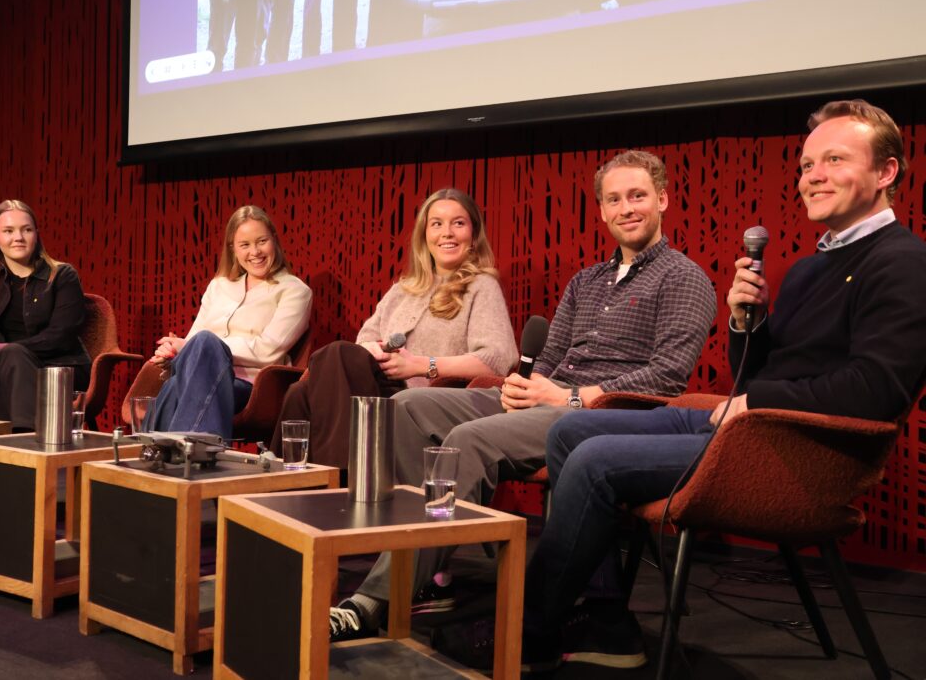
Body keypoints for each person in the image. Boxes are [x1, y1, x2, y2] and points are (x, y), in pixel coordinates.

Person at [522, 100, 926, 673]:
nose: (813, 176)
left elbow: (875, 390)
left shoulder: (903, 262)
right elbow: (757, 374)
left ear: (886, 172)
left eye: (834, 160)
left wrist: (755, 402)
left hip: (798, 451)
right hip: (755, 424)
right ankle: (607, 617)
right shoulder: (810, 266)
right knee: (571, 431)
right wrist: (744, 324)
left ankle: (531, 630)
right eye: (806, 164)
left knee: (594, 461)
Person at [329, 150, 718, 642]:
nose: (626, 208)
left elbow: (667, 378)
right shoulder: (586, 281)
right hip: (548, 398)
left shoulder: (684, 277)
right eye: (614, 199)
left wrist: (568, 396)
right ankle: (431, 563)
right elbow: (550, 358)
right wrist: (523, 385)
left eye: (637, 196)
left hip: (604, 414)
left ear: (662, 200)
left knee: (468, 440)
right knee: (406, 407)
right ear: (602, 210)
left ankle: (376, 599)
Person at [271, 188, 518, 469]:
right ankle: (283, 485)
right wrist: (375, 350)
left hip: (426, 400)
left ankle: (339, 478)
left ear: (473, 236)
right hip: (378, 388)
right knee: (301, 391)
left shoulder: (482, 286)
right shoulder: (403, 289)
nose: (447, 233)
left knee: (332, 357)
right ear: (424, 236)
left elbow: (496, 359)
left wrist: (420, 365)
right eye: (437, 224)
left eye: (458, 223)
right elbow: (364, 340)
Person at [144, 205, 312, 440]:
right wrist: (173, 350)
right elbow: (192, 343)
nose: (255, 252)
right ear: (233, 249)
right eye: (245, 245)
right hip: (197, 376)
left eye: (262, 241)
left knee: (201, 349)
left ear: (274, 239)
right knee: (178, 380)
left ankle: (160, 451)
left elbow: (267, 350)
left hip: (251, 387)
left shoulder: (295, 291)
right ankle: (190, 452)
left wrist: (199, 346)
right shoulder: (219, 286)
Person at [0, 200, 90, 431]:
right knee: (11, 361)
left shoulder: (62, 275)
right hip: (2, 368)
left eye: (26, 230)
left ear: (36, 234)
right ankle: (25, 441)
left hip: (58, 368)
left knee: (13, 356)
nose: (18, 238)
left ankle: (13, 439)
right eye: (8, 231)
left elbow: (61, 336)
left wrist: (4, 350)